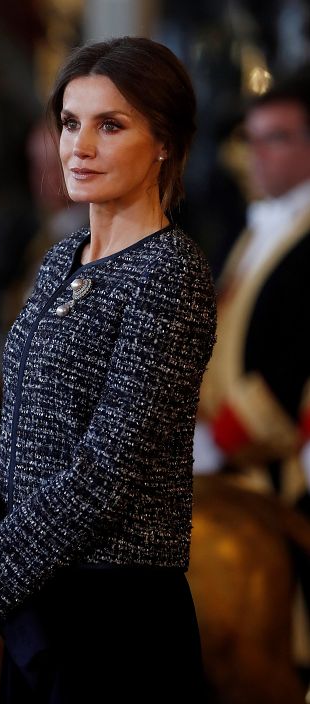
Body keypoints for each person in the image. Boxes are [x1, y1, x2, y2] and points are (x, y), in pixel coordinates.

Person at [0, 36, 218, 704]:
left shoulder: (172, 273)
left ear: (165, 143)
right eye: (68, 121)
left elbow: (108, 468)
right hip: (42, 607)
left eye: (110, 125)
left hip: (116, 627)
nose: (79, 146)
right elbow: (15, 444)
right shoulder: (62, 260)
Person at [194, 72, 310, 507]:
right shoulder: (255, 228)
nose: (255, 155)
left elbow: (297, 351)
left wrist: (221, 440)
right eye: (251, 139)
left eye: (274, 139)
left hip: (274, 467)